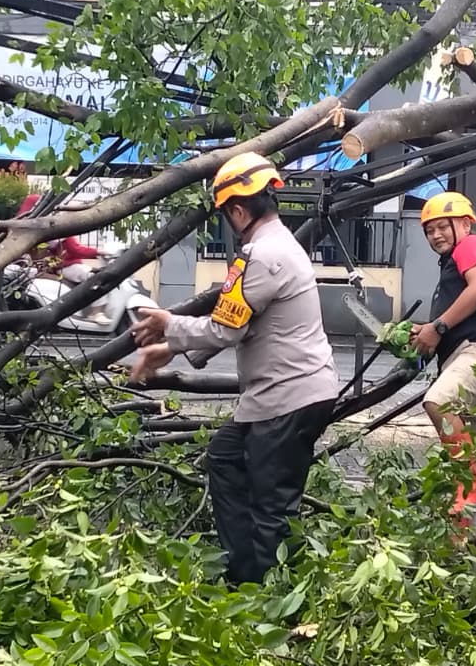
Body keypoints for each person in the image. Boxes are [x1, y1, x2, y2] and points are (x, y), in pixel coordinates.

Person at [129, 152, 339, 586]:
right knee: (224, 457)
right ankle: (243, 570)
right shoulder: (274, 248)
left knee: (272, 504)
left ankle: (269, 600)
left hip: (288, 397)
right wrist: (169, 347)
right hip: (278, 395)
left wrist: (168, 323)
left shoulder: (263, 256)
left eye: (226, 214)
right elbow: (238, 328)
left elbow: (225, 329)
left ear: (238, 210)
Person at [410, 191, 476, 526]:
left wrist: (438, 326)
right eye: (429, 230)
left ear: (466, 224)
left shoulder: (471, 245)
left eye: (443, 226)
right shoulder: (454, 261)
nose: (435, 235)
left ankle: (470, 487)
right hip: (464, 350)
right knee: (468, 440)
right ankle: (464, 536)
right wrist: (426, 330)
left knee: (439, 402)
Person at [16, 192, 110, 323]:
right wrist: (98, 251)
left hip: (50, 267)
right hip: (64, 266)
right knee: (95, 277)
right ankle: (97, 312)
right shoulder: (57, 229)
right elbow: (75, 249)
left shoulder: (26, 231)